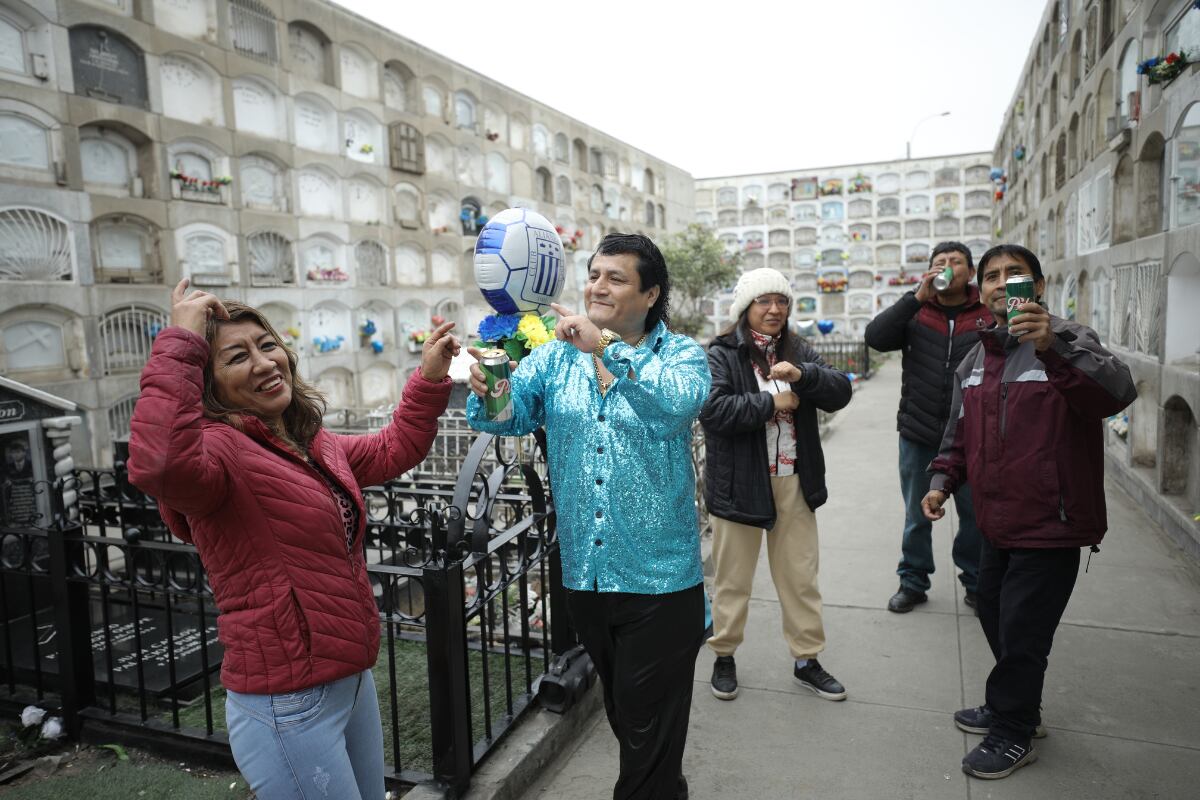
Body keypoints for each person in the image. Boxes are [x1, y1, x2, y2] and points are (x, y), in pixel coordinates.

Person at [127, 279, 458, 799]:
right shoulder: (219, 454)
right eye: (236, 356)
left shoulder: (306, 441)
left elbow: (395, 447)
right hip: (286, 704)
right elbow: (159, 463)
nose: (263, 363)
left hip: (350, 681)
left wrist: (429, 378)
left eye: (266, 344)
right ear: (207, 384)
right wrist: (180, 344)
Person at [466, 233, 709, 800]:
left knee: (645, 730)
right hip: (587, 577)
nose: (598, 286)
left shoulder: (681, 356)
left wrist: (604, 349)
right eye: (594, 274)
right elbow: (509, 419)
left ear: (651, 294)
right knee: (631, 719)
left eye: (615, 278)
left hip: (662, 583)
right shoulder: (553, 356)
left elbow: (675, 406)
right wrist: (490, 386)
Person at [923, 244, 1136, 779]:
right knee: (994, 614)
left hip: (1051, 523)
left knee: (1022, 633)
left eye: (1014, 274)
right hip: (996, 524)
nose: (1001, 283)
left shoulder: (1068, 339)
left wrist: (1051, 347)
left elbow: (1115, 393)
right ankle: (1013, 704)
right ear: (981, 289)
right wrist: (941, 482)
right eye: (992, 276)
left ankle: (1014, 729)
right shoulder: (976, 359)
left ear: (1037, 287)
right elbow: (957, 433)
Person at [700, 267, 853, 703]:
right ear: (746, 307)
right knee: (733, 579)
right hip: (740, 484)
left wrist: (804, 375)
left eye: (781, 301)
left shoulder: (799, 348)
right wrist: (772, 402)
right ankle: (724, 655)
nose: (774, 309)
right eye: (764, 301)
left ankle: (807, 660)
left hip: (793, 482)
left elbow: (841, 391)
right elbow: (712, 410)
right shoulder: (723, 352)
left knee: (800, 577)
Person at [864, 241, 993, 614]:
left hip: (973, 437)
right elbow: (875, 338)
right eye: (940, 262)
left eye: (956, 262)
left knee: (974, 514)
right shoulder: (917, 311)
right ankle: (913, 581)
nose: (947, 267)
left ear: (970, 272)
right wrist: (915, 297)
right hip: (919, 432)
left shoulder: (987, 311)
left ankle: (975, 581)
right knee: (916, 514)